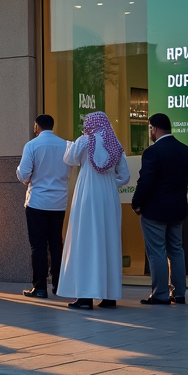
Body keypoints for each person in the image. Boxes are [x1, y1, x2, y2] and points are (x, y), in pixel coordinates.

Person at [57, 112, 130, 310]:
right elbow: (125, 177)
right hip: (109, 198)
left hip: (87, 194)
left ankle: (85, 297)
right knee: (108, 242)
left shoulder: (84, 141)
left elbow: (69, 159)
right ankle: (109, 297)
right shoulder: (115, 144)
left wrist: (70, 145)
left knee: (85, 241)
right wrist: (106, 182)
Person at [132, 112, 188, 306]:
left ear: (154, 128)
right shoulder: (186, 150)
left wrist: (136, 202)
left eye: (150, 128)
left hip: (155, 211)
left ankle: (160, 293)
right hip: (177, 209)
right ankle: (180, 293)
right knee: (176, 250)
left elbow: (146, 181)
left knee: (157, 252)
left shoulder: (152, 152)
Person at [16, 114, 71, 299]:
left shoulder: (32, 145)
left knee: (38, 245)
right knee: (56, 244)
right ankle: (58, 285)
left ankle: (40, 287)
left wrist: (27, 177)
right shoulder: (66, 145)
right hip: (59, 202)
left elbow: (23, 173)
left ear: (37, 126)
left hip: (37, 202)